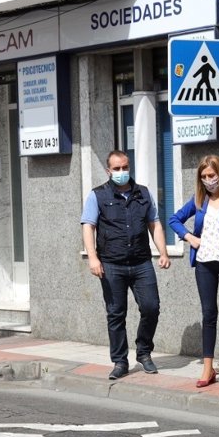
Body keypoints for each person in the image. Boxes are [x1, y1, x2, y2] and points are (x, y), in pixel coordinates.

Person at [81, 151, 171, 380]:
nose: (122, 172)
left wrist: (163, 252)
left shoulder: (143, 193)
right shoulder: (97, 195)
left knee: (151, 308)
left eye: (125, 167)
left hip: (141, 262)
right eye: (117, 168)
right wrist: (93, 258)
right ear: (108, 171)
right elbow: (88, 226)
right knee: (116, 314)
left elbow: (154, 223)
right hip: (112, 264)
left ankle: (144, 351)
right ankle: (120, 361)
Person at [169, 155, 219, 389]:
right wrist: (189, 237)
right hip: (204, 263)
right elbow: (174, 219)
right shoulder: (199, 200)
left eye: (211, 175)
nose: (208, 180)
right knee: (209, 315)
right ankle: (208, 368)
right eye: (204, 176)